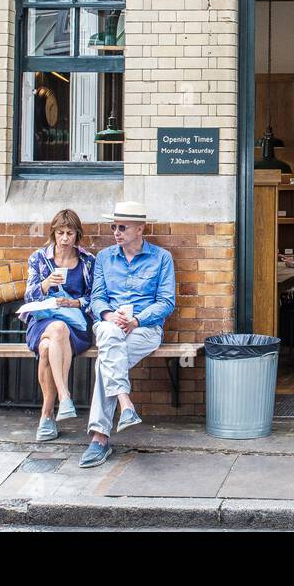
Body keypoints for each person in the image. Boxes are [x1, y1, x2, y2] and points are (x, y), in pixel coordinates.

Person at [79, 201, 176, 469]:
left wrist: (137, 320)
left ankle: (101, 439)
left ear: (140, 229)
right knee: (110, 336)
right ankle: (121, 408)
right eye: (113, 226)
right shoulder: (105, 257)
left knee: (105, 362)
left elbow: (166, 302)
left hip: (144, 329)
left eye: (122, 227)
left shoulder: (161, 258)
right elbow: (96, 298)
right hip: (109, 325)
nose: (116, 232)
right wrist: (110, 315)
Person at [23, 210, 97, 442]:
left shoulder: (87, 261)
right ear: (53, 233)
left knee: (48, 347)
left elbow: (95, 298)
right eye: (60, 233)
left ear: (77, 235)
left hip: (75, 325)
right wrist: (45, 284)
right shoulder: (39, 259)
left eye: (70, 233)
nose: (64, 238)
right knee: (56, 329)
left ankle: (47, 416)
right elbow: (28, 297)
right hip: (44, 322)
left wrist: (75, 302)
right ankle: (65, 397)